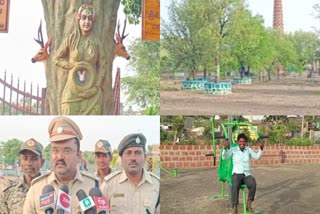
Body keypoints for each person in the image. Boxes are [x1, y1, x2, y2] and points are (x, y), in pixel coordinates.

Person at [23, 116, 99, 213]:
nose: (59, 157)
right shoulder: (36, 188)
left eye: (67, 150)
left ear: (78, 156)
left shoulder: (94, 186)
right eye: (55, 150)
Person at [54, 4, 107, 115]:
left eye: (89, 19)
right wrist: (68, 65)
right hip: (72, 91)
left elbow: (103, 65)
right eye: (83, 18)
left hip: (92, 92)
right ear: (78, 19)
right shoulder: (71, 39)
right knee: (69, 122)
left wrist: (96, 87)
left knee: (93, 126)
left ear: (93, 21)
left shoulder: (97, 43)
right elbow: (56, 58)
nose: (86, 22)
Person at [101, 133, 160, 214]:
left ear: (145, 157)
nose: (133, 158)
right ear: (121, 158)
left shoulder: (157, 184)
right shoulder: (108, 185)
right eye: (128, 153)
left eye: (138, 153)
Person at [222, 133, 264, 214]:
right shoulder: (233, 149)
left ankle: (248, 205)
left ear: (246, 142)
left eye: (244, 141)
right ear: (238, 142)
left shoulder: (248, 150)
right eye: (240, 141)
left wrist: (261, 149)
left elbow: (256, 157)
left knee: (253, 183)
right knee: (235, 185)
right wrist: (224, 148)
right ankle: (235, 207)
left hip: (246, 174)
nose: (242, 143)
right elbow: (224, 157)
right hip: (237, 174)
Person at [0, 138, 45, 214]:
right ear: (20, 162)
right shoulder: (8, 191)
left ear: (42, 162)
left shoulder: (50, 189)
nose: (29, 163)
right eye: (25, 158)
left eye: (34, 158)